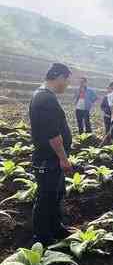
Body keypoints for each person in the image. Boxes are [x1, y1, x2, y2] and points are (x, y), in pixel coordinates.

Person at [29, 63, 73, 246]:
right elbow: (53, 135)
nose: (67, 84)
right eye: (67, 80)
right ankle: (42, 237)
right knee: (46, 197)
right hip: (49, 159)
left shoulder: (44, 96)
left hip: (52, 158)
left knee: (55, 194)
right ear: (59, 77)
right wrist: (63, 158)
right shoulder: (45, 99)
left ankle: (56, 227)